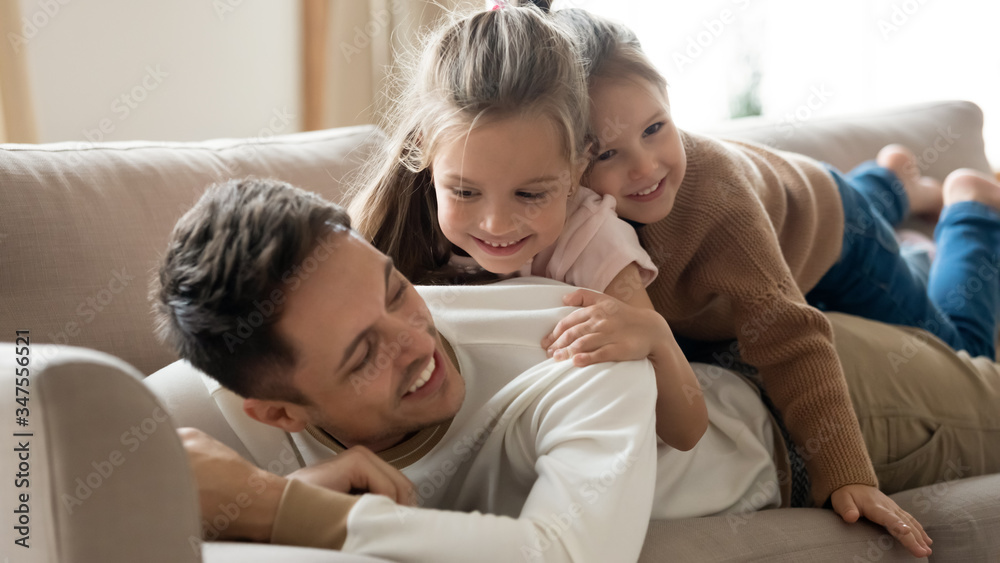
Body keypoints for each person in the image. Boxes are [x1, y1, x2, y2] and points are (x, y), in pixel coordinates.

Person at [547, 3, 1000, 543]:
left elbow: (790, 331)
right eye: (607, 154)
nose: (644, 167)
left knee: (960, 351)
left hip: (836, 236)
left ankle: (968, 207)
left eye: (655, 128)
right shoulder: (568, 218)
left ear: (672, 103)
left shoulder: (714, 203)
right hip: (785, 200)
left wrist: (846, 473)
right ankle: (890, 179)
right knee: (848, 197)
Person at [154, 178, 789, 561]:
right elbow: (62, 437)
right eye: (363, 354)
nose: (414, 340)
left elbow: (567, 556)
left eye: (396, 290)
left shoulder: (576, 349)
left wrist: (275, 507)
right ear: (279, 412)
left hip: (790, 430)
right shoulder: (239, 383)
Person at [345, 6, 707, 450]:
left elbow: (687, 430)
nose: (497, 224)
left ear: (578, 168)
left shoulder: (590, 241)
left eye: (531, 195)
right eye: (464, 192)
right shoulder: (388, 226)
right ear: (424, 151)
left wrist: (655, 337)